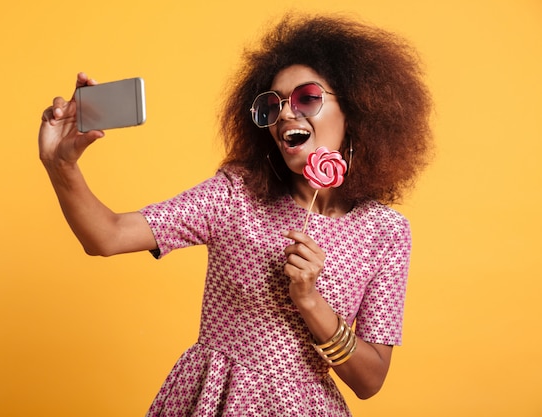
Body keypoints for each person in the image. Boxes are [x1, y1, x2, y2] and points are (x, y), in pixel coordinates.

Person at [39, 13, 432, 417]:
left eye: (307, 98)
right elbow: (107, 236)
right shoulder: (236, 195)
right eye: (272, 105)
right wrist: (60, 165)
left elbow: (370, 382)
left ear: (357, 109)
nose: (284, 115)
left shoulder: (386, 232)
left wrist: (310, 301)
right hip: (216, 401)